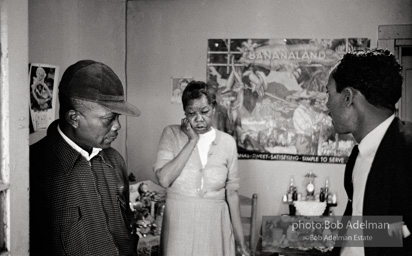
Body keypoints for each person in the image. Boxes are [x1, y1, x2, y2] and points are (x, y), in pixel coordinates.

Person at [30, 60, 141, 256]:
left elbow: (126, 229)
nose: (117, 126)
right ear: (73, 118)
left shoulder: (115, 161)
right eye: (108, 119)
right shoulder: (34, 167)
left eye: (118, 117)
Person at [326, 49, 412, 256]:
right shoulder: (359, 154)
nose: (327, 106)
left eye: (328, 94)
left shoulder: (407, 149)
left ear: (347, 97)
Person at [153, 81, 250, 256]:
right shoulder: (171, 134)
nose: (198, 119)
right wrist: (192, 140)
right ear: (185, 113)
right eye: (191, 113)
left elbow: (232, 194)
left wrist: (240, 241)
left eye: (204, 111)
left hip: (214, 224)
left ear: (213, 108)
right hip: (179, 224)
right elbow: (164, 179)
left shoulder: (227, 143)